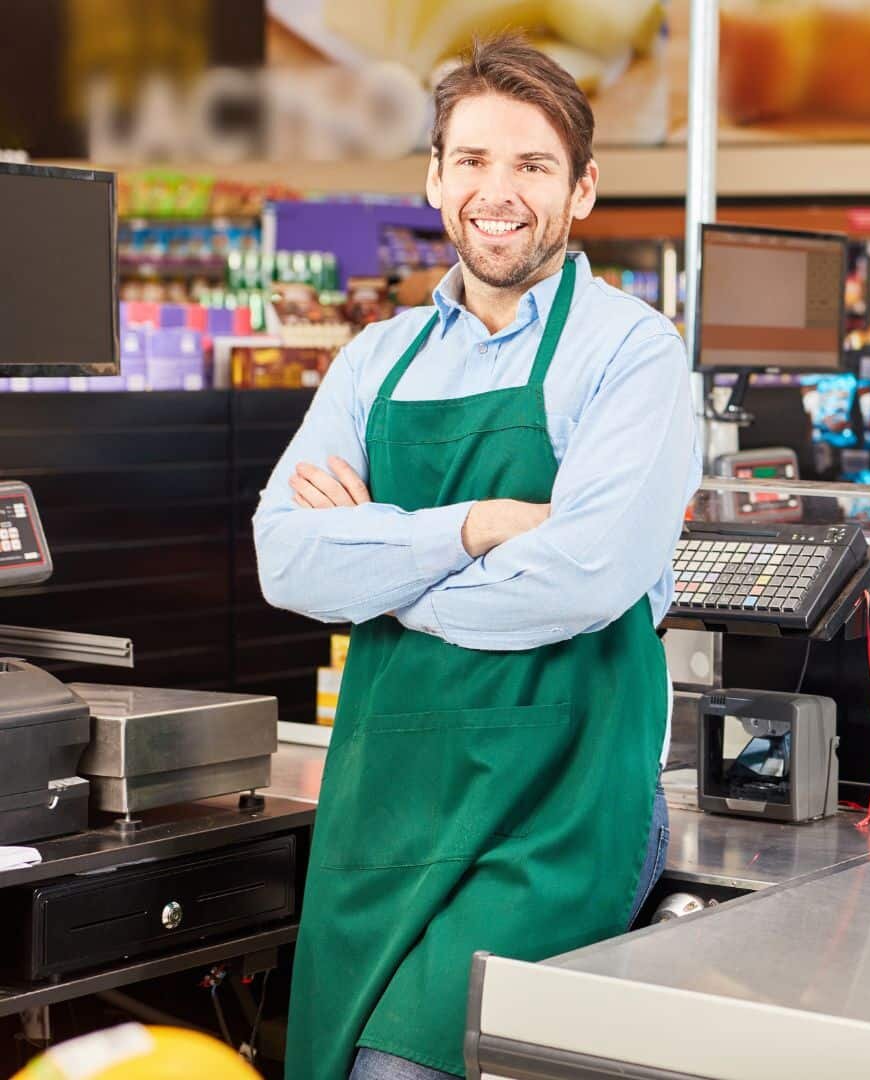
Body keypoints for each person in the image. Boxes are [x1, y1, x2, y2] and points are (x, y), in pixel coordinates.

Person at [252, 36, 699, 1080]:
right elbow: (287, 560)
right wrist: (476, 526)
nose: (498, 193)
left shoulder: (632, 352)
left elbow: (584, 579)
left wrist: (386, 576)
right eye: (473, 162)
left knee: (394, 1070)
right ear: (435, 177)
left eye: (534, 166)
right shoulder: (376, 358)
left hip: (562, 806)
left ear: (583, 189)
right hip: (390, 799)